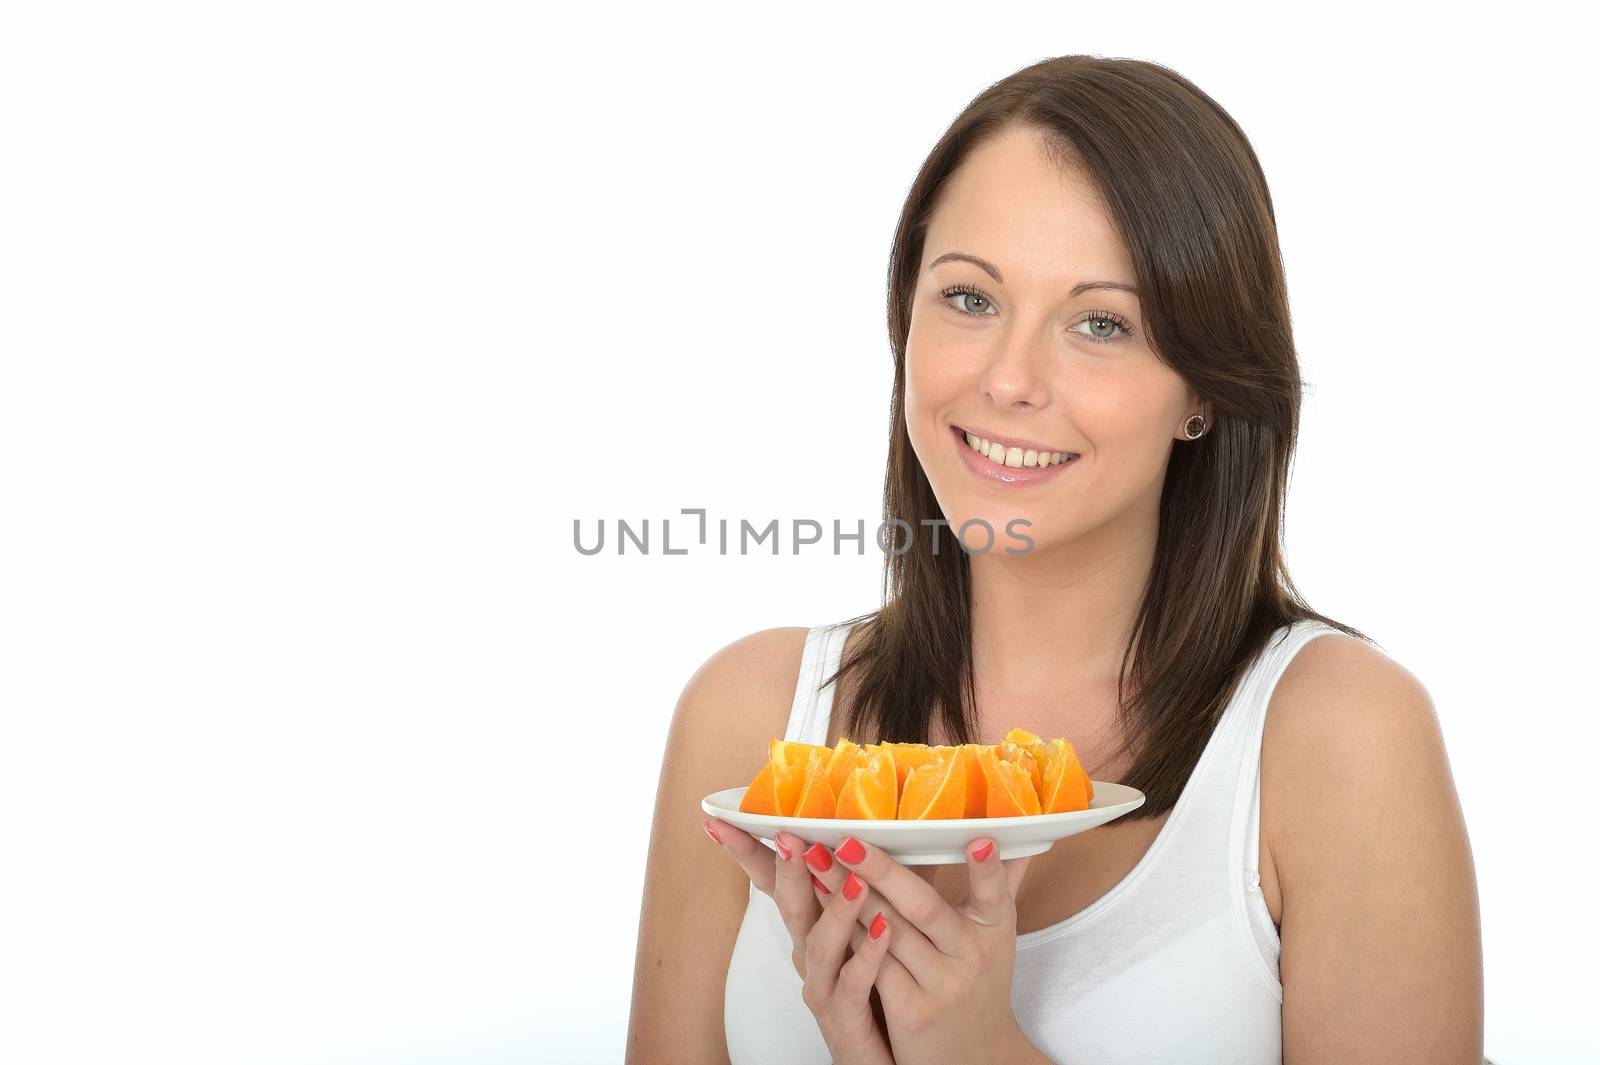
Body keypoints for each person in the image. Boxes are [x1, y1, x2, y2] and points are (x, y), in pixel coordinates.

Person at [626, 55, 1484, 1064]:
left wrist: (984, 1054)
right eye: (971, 300)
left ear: (1204, 389)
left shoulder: (1338, 740)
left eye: (1100, 323)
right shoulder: (750, 716)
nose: (1009, 380)